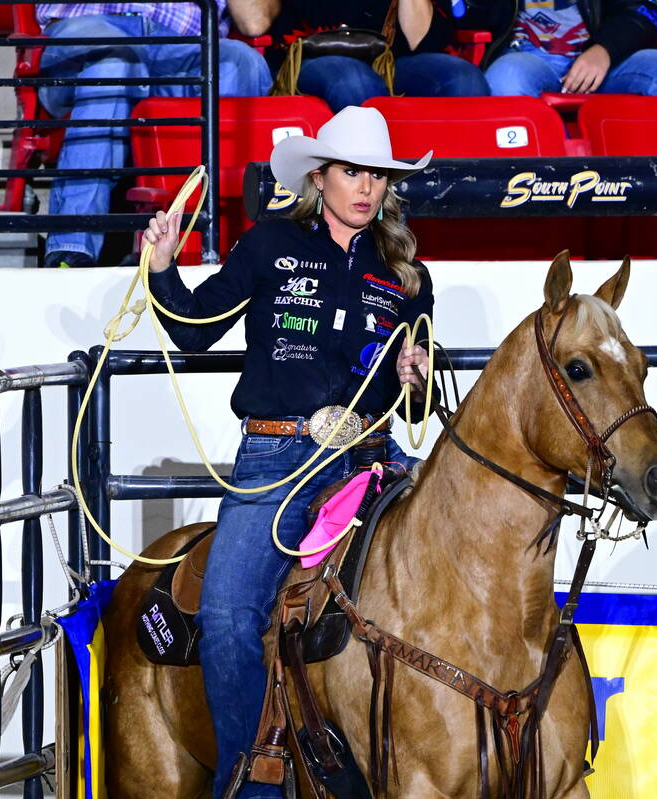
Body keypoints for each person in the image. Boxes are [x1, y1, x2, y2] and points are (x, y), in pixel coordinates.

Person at [142, 105, 434, 798]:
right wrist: (162, 265)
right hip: (278, 459)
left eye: (378, 176)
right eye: (352, 171)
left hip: (371, 460)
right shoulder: (269, 244)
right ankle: (255, 777)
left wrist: (416, 374)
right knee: (228, 614)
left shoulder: (407, 276)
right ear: (320, 176)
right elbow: (193, 329)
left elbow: (417, 406)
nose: (366, 187)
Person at [37, 1, 274, 269]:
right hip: (93, 28)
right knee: (116, 60)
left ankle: (215, 248)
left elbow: (255, 23)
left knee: (242, 62)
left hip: (183, 45)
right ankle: (71, 251)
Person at [267, 0, 490, 111]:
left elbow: (424, 41)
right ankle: (377, 186)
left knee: (462, 76)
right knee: (353, 78)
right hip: (312, 55)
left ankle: (465, 189)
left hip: (390, 60)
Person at [469, 0, 657, 97]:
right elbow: (471, 13)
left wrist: (604, 50)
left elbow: (645, 11)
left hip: (608, 57)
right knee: (505, 77)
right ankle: (550, 176)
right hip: (528, 56)